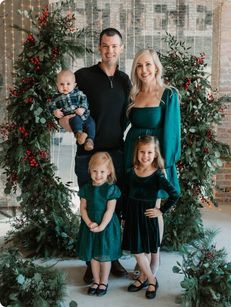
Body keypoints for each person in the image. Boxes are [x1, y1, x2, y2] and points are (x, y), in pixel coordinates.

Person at [74, 28, 131, 283]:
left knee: (113, 209)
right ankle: (90, 261)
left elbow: (126, 116)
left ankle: (111, 257)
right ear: (99, 47)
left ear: (121, 48)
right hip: (88, 154)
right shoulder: (83, 76)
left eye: (114, 46)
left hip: (115, 154)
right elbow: (68, 108)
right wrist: (76, 132)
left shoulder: (124, 79)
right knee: (90, 206)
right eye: (105, 46)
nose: (110, 50)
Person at [124, 48, 181, 276]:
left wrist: (163, 164)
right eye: (139, 65)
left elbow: (172, 132)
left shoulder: (168, 94)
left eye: (148, 64)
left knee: (153, 210)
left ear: (156, 67)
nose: (144, 69)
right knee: (137, 209)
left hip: (155, 160)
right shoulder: (133, 94)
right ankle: (142, 257)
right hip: (134, 157)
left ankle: (154, 258)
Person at [122, 135, 180, 299]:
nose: (145, 156)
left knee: (143, 251)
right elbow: (126, 196)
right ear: (137, 152)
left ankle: (149, 280)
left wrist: (161, 211)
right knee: (138, 251)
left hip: (148, 217)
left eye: (149, 152)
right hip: (133, 216)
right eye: (142, 152)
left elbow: (174, 194)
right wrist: (124, 216)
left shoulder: (157, 175)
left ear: (155, 154)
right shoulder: (131, 172)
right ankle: (147, 278)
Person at [77, 152, 122, 296]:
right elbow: (82, 208)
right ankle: (95, 280)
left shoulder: (111, 189)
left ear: (109, 171)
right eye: (95, 171)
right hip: (90, 225)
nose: (98, 175)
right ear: (90, 171)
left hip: (106, 226)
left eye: (102, 171)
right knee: (93, 256)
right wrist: (89, 223)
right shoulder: (86, 188)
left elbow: (110, 210)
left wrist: (101, 226)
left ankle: (104, 281)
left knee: (104, 255)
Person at [50, 69, 95, 151]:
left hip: (84, 115)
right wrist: (55, 111)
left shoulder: (78, 93)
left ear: (74, 85)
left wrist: (83, 108)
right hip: (72, 116)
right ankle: (79, 134)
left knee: (91, 123)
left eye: (68, 84)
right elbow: (51, 106)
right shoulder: (56, 97)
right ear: (57, 85)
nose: (65, 87)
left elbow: (84, 100)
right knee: (75, 121)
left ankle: (90, 140)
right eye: (61, 84)